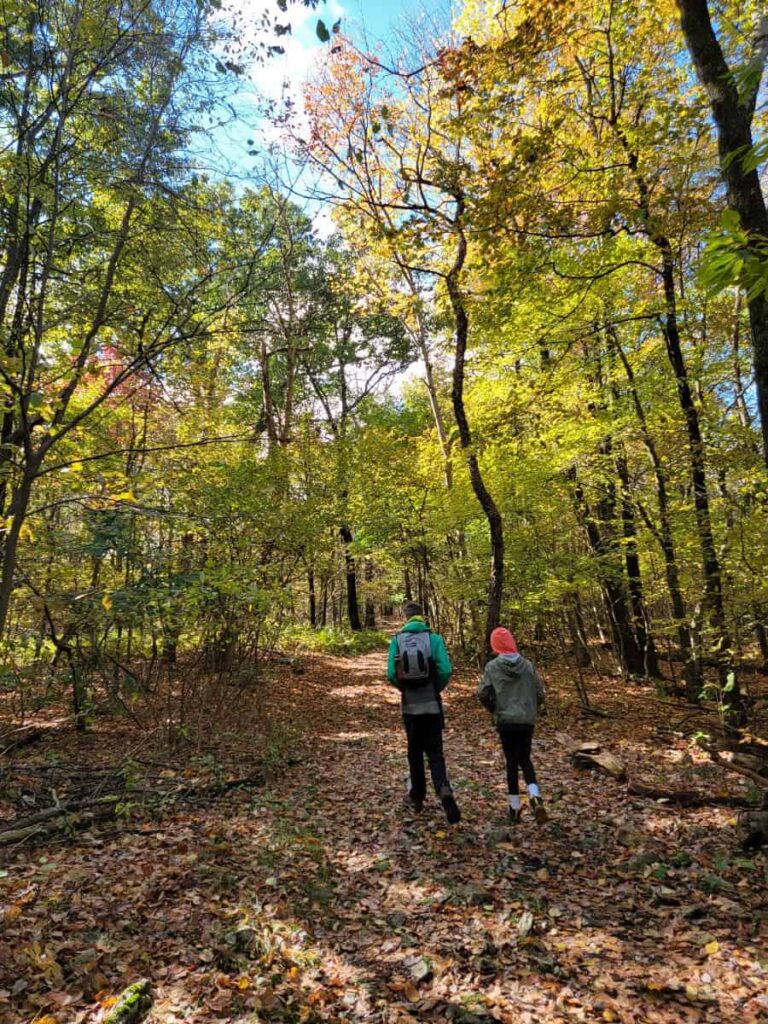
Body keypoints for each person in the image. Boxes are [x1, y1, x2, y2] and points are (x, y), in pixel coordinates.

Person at [387, 601, 461, 824]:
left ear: (406, 618)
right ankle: (444, 789)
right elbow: (446, 669)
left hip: (410, 707)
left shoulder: (397, 640)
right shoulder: (434, 639)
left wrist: (404, 688)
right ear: (422, 617)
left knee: (414, 752)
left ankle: (417, 797)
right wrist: (435, 687)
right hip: (432, 706)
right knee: (436, 753)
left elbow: (391, 673)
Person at [477, 627, 548, 824]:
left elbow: (482, 693)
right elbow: (540, 694)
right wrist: (530, 708)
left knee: (511, 763)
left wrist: (494, 708)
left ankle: (514, 808)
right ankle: (535, 795)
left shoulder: (492, 667)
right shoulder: (528, 666)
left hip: (506, 722)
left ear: (495, 645)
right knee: (525, 759)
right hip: (526, 721)